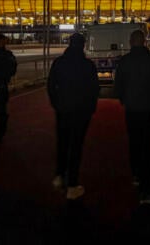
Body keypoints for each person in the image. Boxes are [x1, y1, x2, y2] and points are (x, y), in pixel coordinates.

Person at [114, 29, 150, 205]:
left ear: (131, 42)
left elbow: (118, 86)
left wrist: (124, 100)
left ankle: (137, 174)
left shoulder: (124, 61)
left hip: (133, 109)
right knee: (149, 146)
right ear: (144, 42)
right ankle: (147, 188)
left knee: (135, 142)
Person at [47, 33, 99, 200]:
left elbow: (50, 85)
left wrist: (56, 104)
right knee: (76, 146)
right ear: (83, 45)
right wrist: (91, 108)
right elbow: (94, 89)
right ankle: (72, 185)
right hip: (81, 112)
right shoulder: (88, 65)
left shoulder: (59, 63)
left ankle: (59, 175)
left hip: (63, 110)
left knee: (62, 142)